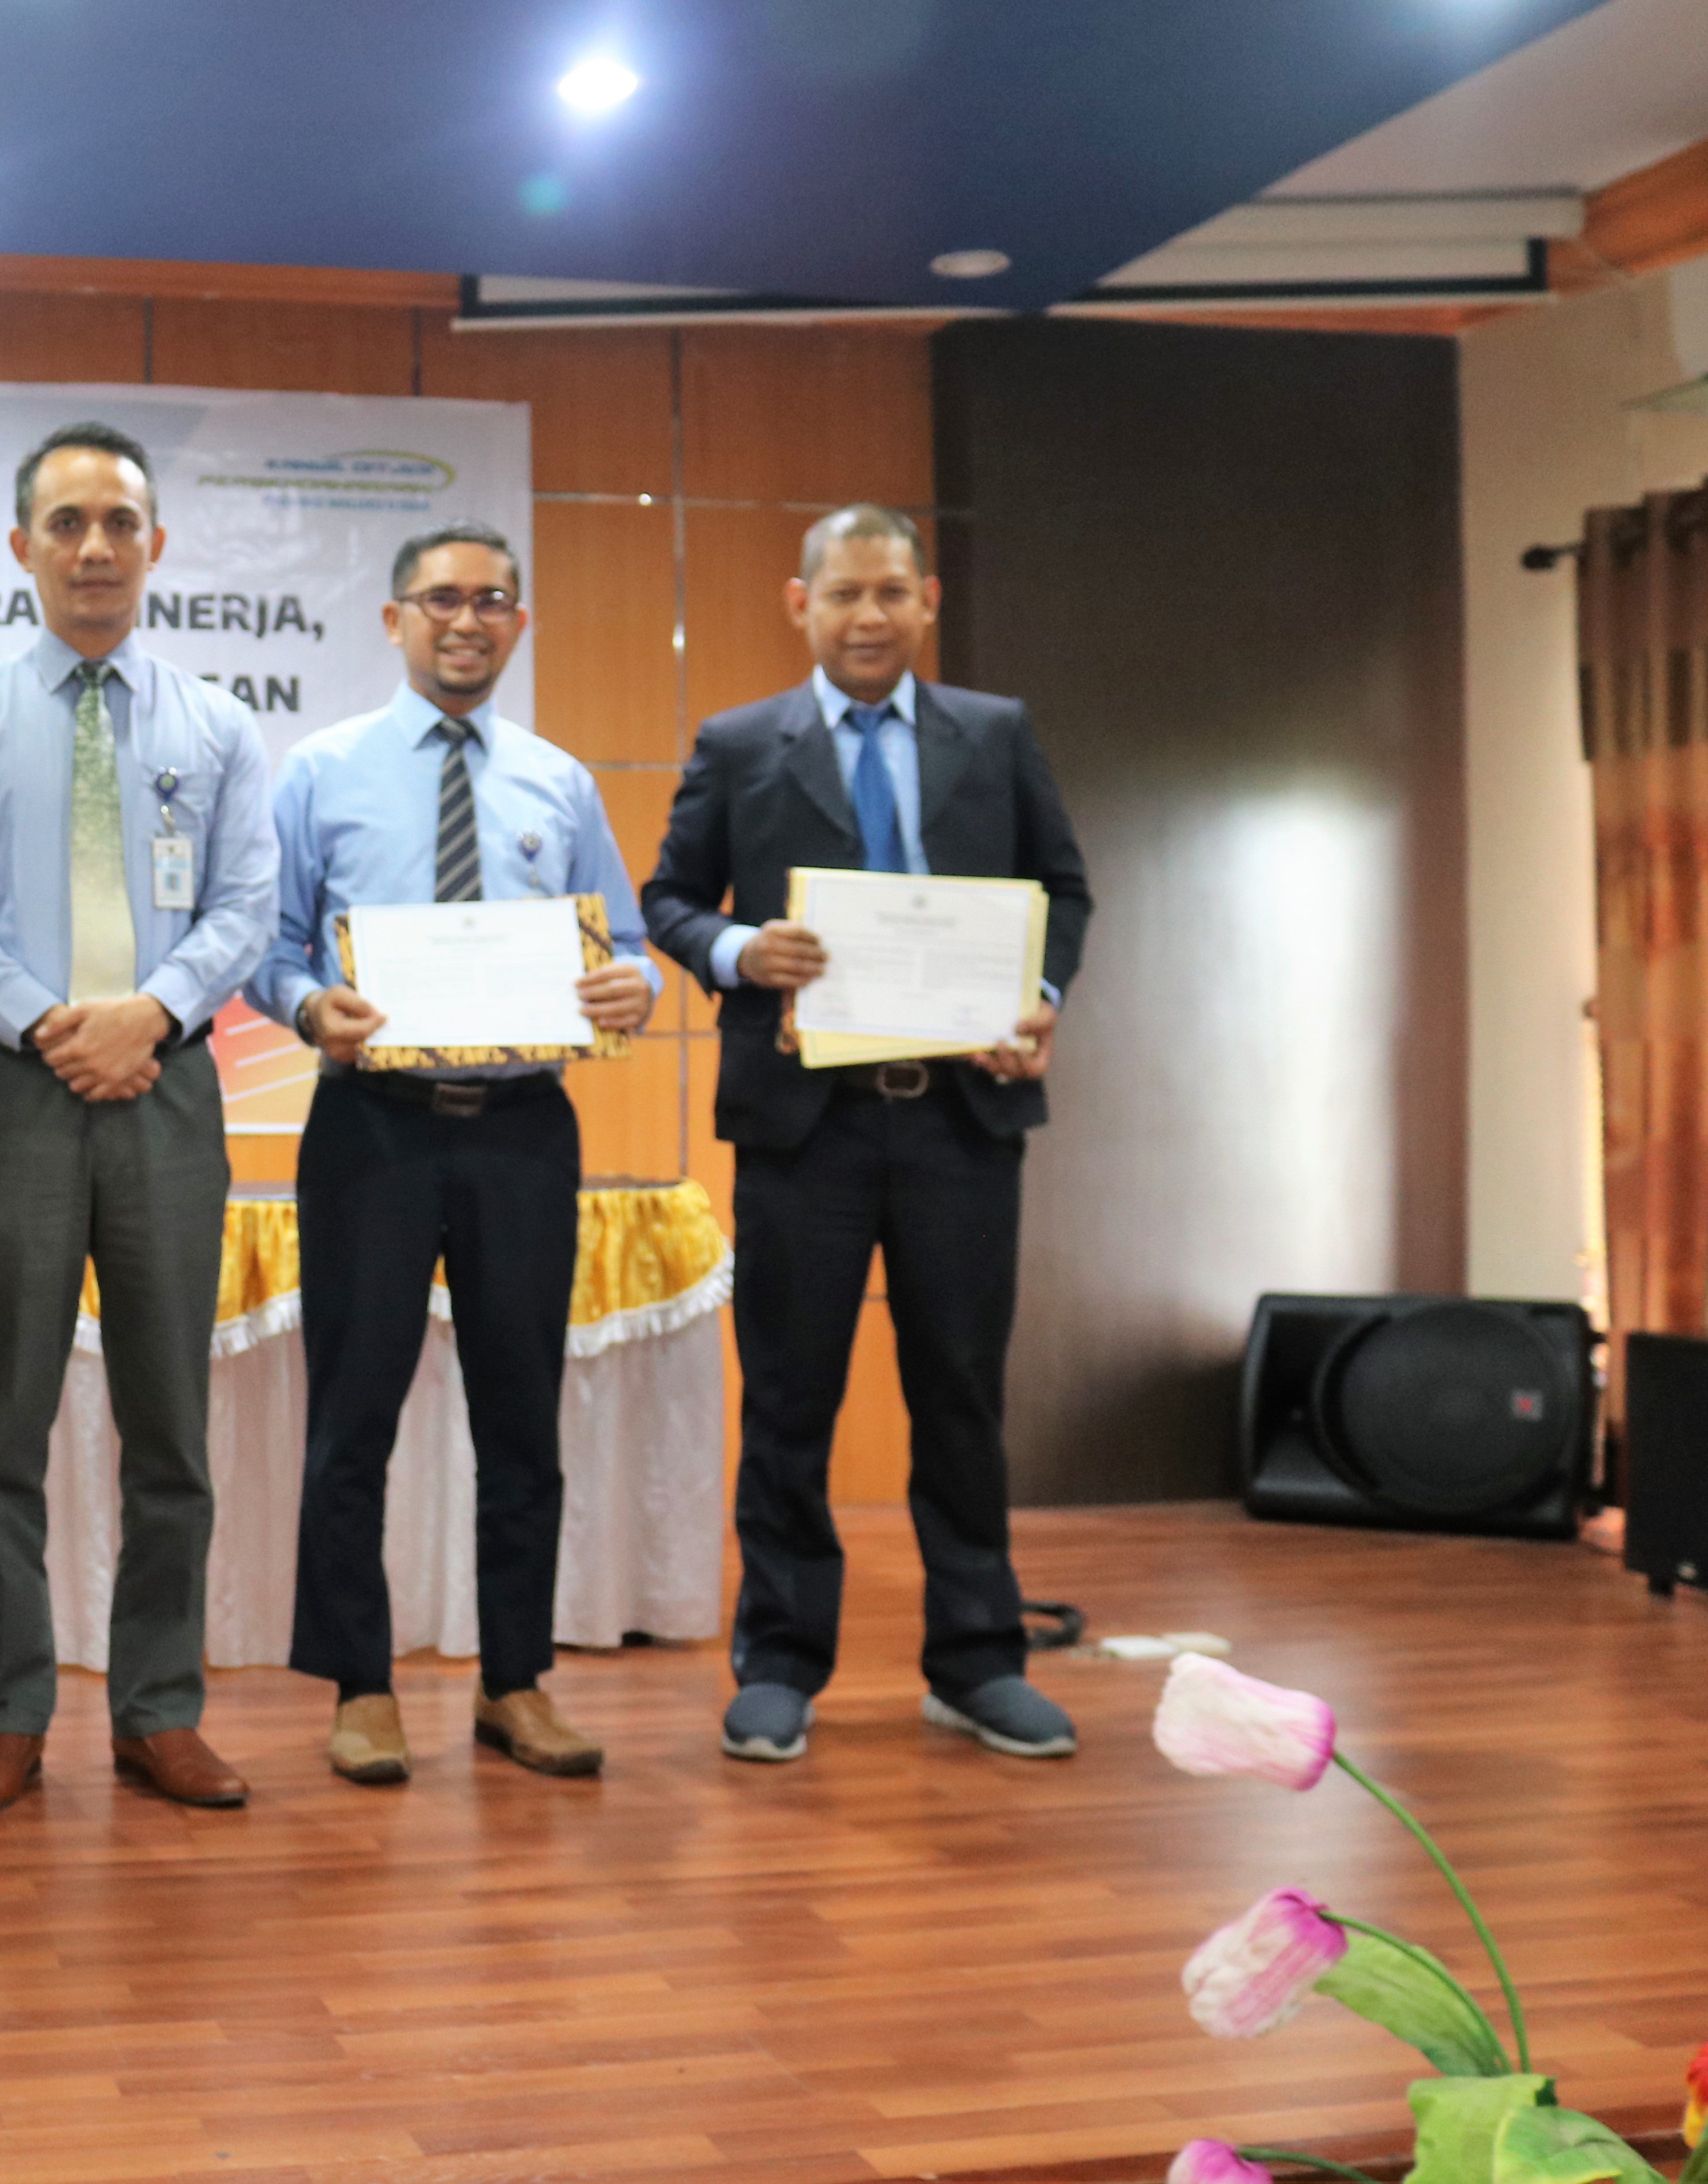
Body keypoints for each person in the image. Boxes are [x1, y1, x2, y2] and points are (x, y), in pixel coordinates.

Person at [639, 502, 1092, 1766]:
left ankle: (976, 1662)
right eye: (843, 594)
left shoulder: (995, 734)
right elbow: (668, 900)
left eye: (891, 592)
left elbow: (1061, 887)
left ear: (928, 600)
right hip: (803, 1130)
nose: (868, 616)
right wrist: (739, 950)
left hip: (962, 1122)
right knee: (790, 1401)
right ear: (801, 605)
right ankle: (780, 1665)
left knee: (961, 1397)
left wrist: (1037, 994)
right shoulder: (740, 744)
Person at [0, 420, 278, 1817]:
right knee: (3, 1426)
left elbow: (245, 906)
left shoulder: (217, 726)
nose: (94, 547)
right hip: (14, 1091)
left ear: (155, 545)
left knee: (169, 1426)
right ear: (21, 547)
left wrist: (149, 1015)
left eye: (118, 522)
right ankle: (4, 1715)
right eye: (66, 523)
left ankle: (158, 1712)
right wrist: (56, 1024)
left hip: (166, 1088)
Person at [246, 520, 659, 1787]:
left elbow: (627, 940)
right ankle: (360, 1688)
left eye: (489, 601)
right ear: (394, 620)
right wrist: (309, 1007)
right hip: (370, 1126)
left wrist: (634, 987)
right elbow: (268, 948)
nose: (465, 620)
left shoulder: (558, 781)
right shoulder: (319, 771)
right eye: (440, 600)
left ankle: (514, 1682)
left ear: (517, 623)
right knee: (352, 1417)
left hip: (524, 1131)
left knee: (521, 1417)